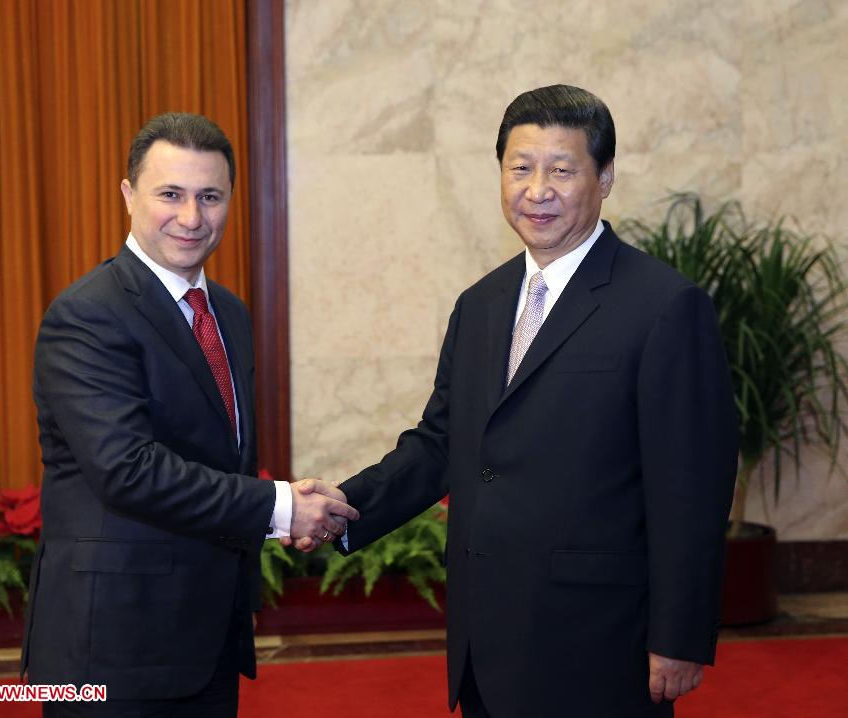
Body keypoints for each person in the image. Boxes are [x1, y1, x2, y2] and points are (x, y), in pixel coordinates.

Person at [292, 85, 739, 716]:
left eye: (562, 170)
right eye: (520, 168)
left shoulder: (663, 305)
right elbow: (443, 442)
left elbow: (692, 487)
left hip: (599, 640)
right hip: (485, 636)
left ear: (605, 177)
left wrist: (680, 635)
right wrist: (347, 507)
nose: (538, 190)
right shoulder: (480, 305)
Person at [21, 112, 357, 717]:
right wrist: (280, 507)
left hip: (205, 640)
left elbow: (213, 459)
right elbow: (128, 470)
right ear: (128, 195)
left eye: (210, 196)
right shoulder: (87, 315)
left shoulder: (227, 312)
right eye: (169, 194)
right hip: (108, 652)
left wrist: (286, 507)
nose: (192, 217)